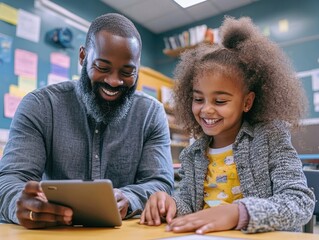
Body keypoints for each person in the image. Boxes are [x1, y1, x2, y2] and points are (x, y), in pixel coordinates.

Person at [140, 16, 315, 234]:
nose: (206, 110)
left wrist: (239, 213)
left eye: (220, 101)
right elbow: (188, 205)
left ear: (247, 102)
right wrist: (171, 204)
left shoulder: (270, 137)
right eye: (198, 99)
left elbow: (299, 202)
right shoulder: (193, 154)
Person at [0, 13, 174, 229]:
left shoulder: (151, 114)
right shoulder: (40, 106)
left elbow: (161, 183)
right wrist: (19, 203)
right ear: (83, 57)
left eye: (128, 72)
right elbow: (9, 179)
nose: (114, 81)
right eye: (102, 67)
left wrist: (130, 198)